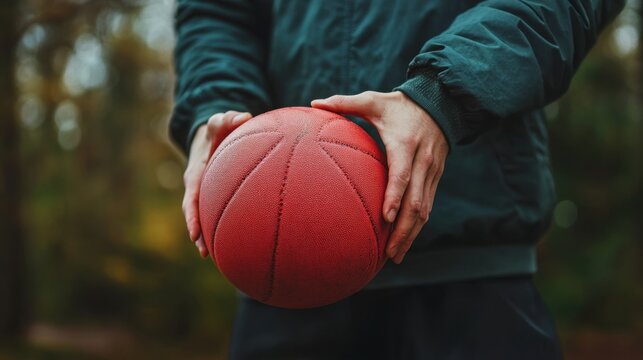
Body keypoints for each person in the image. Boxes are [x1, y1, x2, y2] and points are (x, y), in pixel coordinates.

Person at [170, 1, 625, 359]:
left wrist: (442, 93)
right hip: (284, 279)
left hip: (471, 276)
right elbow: (217, 13)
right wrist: (218, 109)